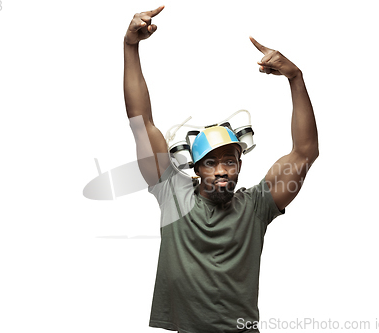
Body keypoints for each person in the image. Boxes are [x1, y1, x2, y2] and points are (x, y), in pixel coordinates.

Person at [123, 5, 319, 333]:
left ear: (241, 163)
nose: (222, 170)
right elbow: (142, 123)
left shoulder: (256, 205)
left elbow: (304, 153)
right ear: (196, 168)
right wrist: (131, 47)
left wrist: (295, 78)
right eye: (211, 163)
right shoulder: (174, 194)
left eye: (229, 160)